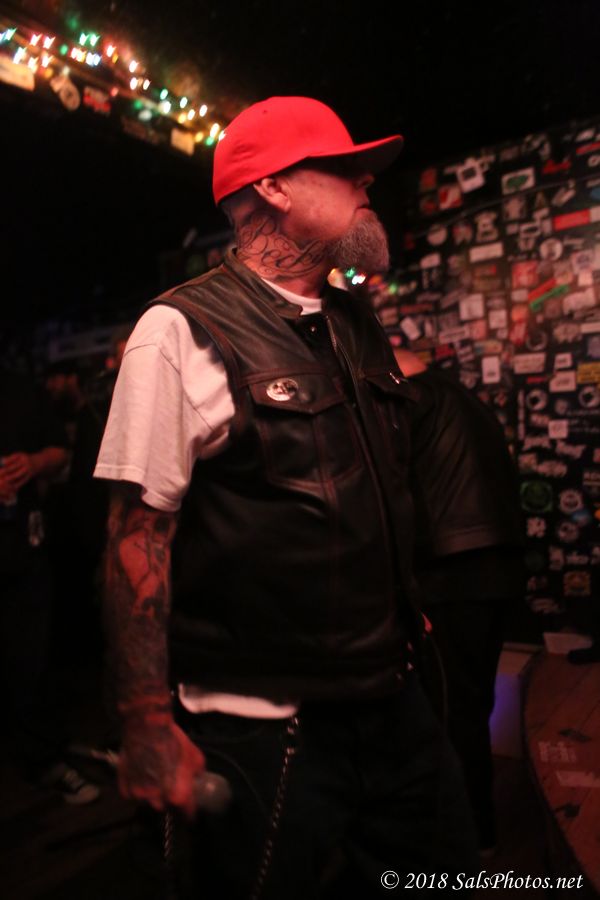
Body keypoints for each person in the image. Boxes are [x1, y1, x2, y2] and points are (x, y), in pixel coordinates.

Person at [95, 96, 478, 899]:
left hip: (395, 699)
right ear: (273, 187)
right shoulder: (180, 329)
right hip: (266, 727)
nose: (367, 184)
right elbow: (137, 536)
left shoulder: (355, 321)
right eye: (346, 168)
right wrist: (144, 722)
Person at [394, 347, 526, 855]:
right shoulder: (465, 399)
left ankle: (468, 843)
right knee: (471, 705)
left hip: (451, 575)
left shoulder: (411, 402)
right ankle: (474, 834)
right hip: (497, 570)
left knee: (450, 714)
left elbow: (395, 496)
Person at [0, 370, 100, 804]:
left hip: (24, 550)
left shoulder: (19, 388)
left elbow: (59, 452)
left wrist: (33, 463)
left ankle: (45, 760)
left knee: (32, 662)